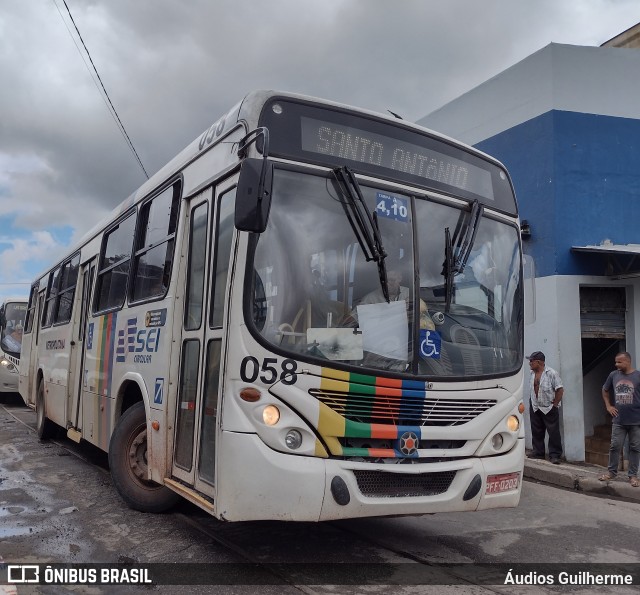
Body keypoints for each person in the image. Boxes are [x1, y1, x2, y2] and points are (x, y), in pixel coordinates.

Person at [599, 352, 640, 487]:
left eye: (619, 362)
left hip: (636, 421)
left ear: (628, 361)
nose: (616, 365)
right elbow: (605, 390)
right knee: (615, 446)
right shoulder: (613, 375)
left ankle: (633, 476)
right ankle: (611, 472)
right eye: (615, 362)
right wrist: (608, 406)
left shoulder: (638, 376)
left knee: (635, 448)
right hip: (619, 420)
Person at [527, 351, 564, 464]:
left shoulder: (552, 373)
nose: (529, 363)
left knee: (553, 432)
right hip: (535, 405)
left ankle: (555, 455)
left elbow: (560, 389)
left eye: (531, 361)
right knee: (537, 430)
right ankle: (538, 452)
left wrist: (555, 404)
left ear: (538, 362)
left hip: (549, 407)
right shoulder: (532, 373)